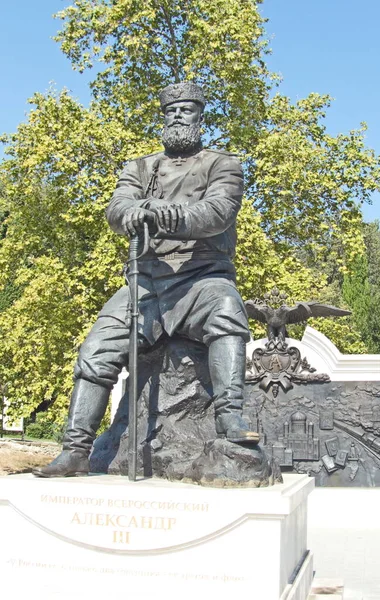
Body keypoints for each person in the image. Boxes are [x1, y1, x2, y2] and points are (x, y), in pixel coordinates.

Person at [33, 81, 259, 478]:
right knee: (95, 349)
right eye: (171, 111)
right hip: (146, 282)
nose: (177, 116)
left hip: (201, 279)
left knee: (227, 308)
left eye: (186, 110)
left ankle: (230, 420)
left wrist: (161, 213)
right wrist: (130, 214)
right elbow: (117, 207)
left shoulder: (223, 164)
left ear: (200, 116)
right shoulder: (138, 167)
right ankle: (75, 450)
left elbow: (218, 212)